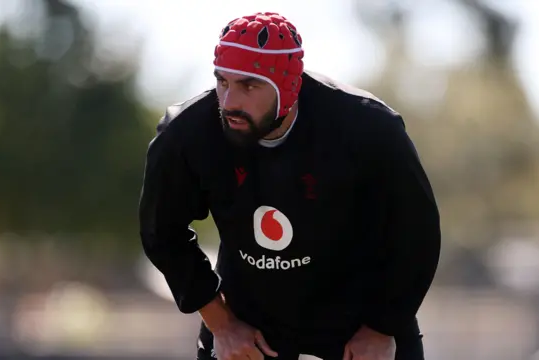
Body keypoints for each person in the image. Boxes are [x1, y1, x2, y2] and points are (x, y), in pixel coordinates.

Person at [139, 11, 441, 360]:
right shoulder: (186, 135)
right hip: (249, 326)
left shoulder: (369, 128)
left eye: (249, 85)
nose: (229, 102)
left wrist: (382, 328)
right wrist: (222, 324)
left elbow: (416, 234)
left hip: (361, 323)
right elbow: (162, 233)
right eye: (223, 82)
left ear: (288, 86)